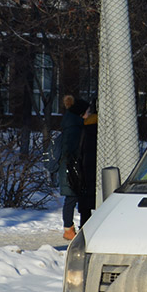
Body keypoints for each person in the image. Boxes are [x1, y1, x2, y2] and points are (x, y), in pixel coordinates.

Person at [58, 96, 88, 240]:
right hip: (71, 167)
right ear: (81, 113)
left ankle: (69, 229)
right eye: (87, 111)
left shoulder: (70, 124)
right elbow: (71, 149)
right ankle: (68, 229)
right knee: (71, 197)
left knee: (72, 197)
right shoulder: (75, 128)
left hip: (69, 166)